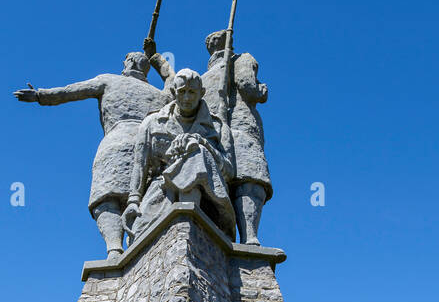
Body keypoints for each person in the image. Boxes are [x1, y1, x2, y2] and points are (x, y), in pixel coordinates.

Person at [15, 48, 173, 255]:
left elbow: (70, 91)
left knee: (107, 199)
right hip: (154, 148)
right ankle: (142, 246)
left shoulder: (108, 80)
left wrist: (39, 95)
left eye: (125, 62)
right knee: (145, 199)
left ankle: (114, 249)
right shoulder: (160, 95)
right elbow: (173, 83)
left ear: (130, 64)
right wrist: (158, 61)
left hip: (118, 141)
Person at [123, 69, 235, 243]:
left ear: (202, 93)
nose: (187, 98)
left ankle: (189, 216)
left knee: (196, 152)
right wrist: (133, 201)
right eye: (182, 92)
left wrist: (203, 144)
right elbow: (140, 163)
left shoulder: (217, 126)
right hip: (162, 188)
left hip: (208, 199)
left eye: (192, 92)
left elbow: (229, 171)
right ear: (174, 92)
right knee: (137, 235)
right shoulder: (153, 123)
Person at [201, 29, 271, 244]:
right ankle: (250, 237)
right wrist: (262, 91)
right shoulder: (242, 59)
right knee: (248, 180)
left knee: (215, 182)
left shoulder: (202, 78)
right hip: (240, 127)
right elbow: (247, 87)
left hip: (210, 134)